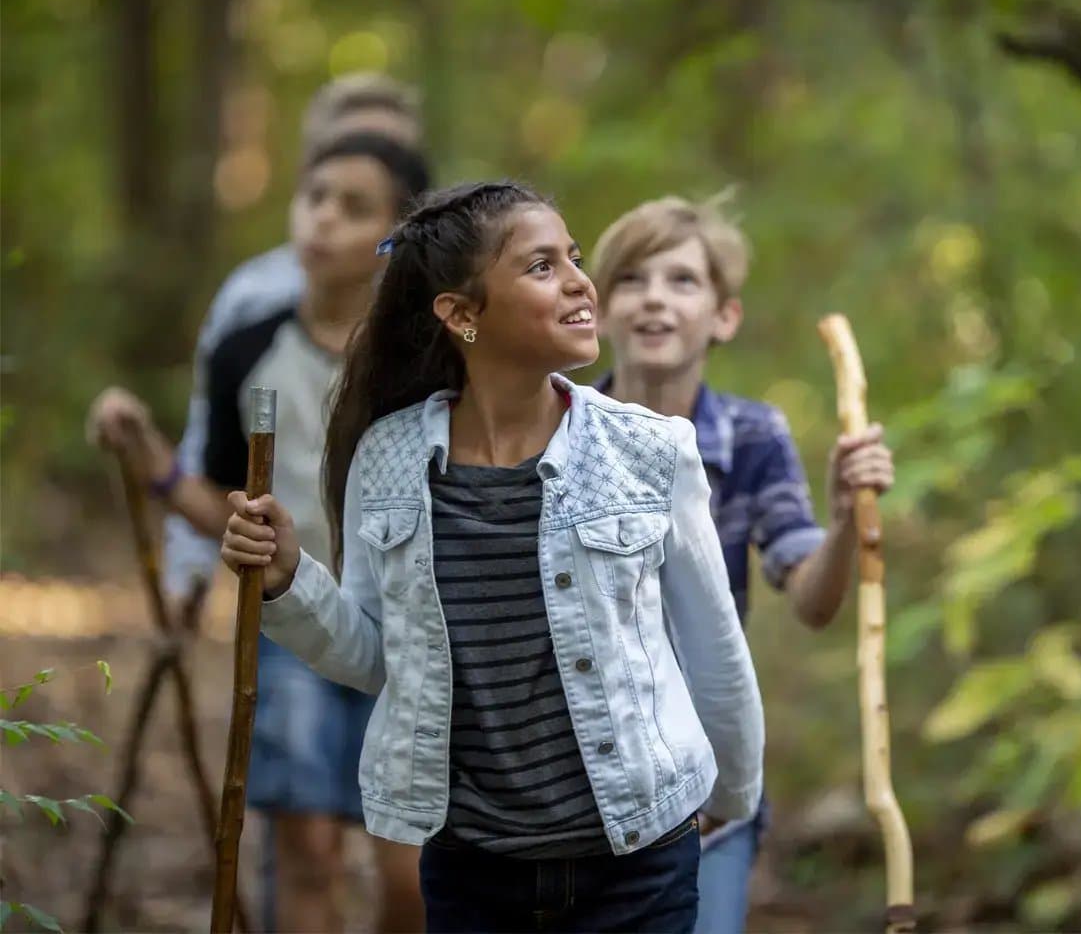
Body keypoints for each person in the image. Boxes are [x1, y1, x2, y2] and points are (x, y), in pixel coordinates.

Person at [217, 181, 765, 934]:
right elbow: (379, 657)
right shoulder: (393, 457)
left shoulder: (648, 450)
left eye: (575, 258)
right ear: (462, 314)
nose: (581, 280)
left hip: (639, 858)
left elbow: (714, 648)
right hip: (473, 867)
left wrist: (730, 801)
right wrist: (288, 579)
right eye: (542, 266)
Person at [89, 133, 431, 933]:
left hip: (416, 630)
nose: (322, 221)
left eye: (354, 208)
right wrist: (151, 460)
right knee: (305, 849)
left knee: (410, 871)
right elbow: (221, 503)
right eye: (314, 198)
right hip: (290, 623)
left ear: (399, 231)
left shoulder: (426, 361)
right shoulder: (248, 347)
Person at [589, 195, 896, 934]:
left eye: (683, 281)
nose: (656, 297)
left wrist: (848, 514)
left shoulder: (754, 436)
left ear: (724, 317)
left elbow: (813, 599)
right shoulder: (558, 428)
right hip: (585, 773)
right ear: (598, 311)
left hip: (708, 776)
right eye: (632, 279)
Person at [164, 72, 424, 601]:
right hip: (294, 601)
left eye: (386, 153)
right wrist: (188, 573)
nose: (327, 217)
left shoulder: (435, 334)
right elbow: (210, 452)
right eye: (320, 191)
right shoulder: (251, 305)